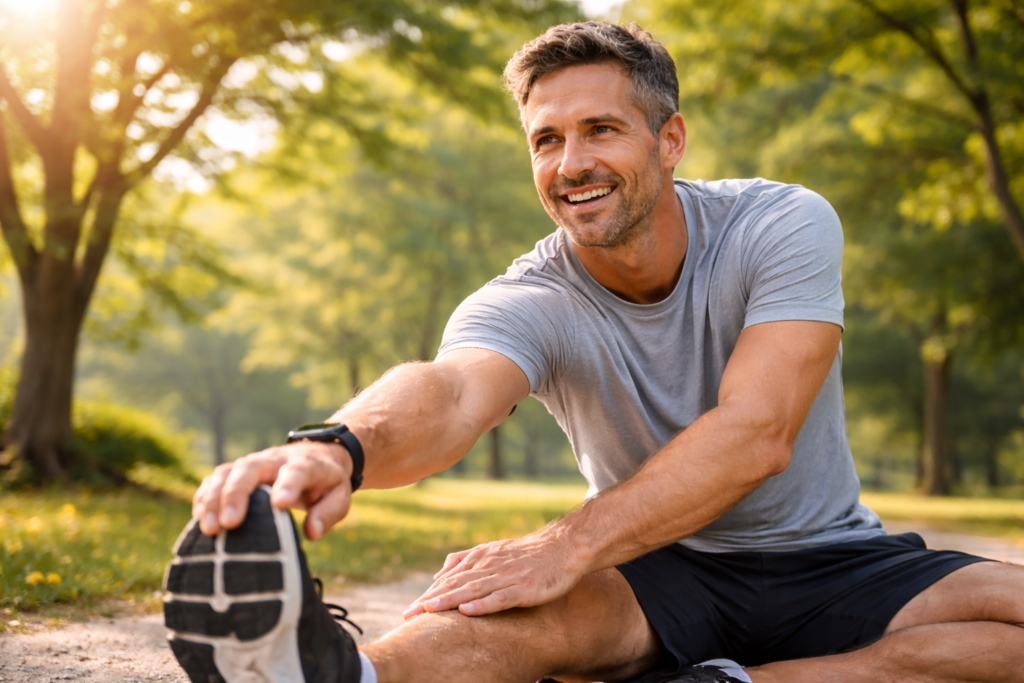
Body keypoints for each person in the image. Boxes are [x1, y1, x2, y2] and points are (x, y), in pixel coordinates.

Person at [163, 21, 1024, 683]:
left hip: (833, 558)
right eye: (546, 139)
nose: (571, 163)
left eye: (601, 129)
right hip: (657, 570)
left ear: (670, 139)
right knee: (519, 614)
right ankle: (343, 672)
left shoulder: (780, 223)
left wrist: (566, 544)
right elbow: (453, 393)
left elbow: (757, 431)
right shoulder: (533, 296)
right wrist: (336, 444)